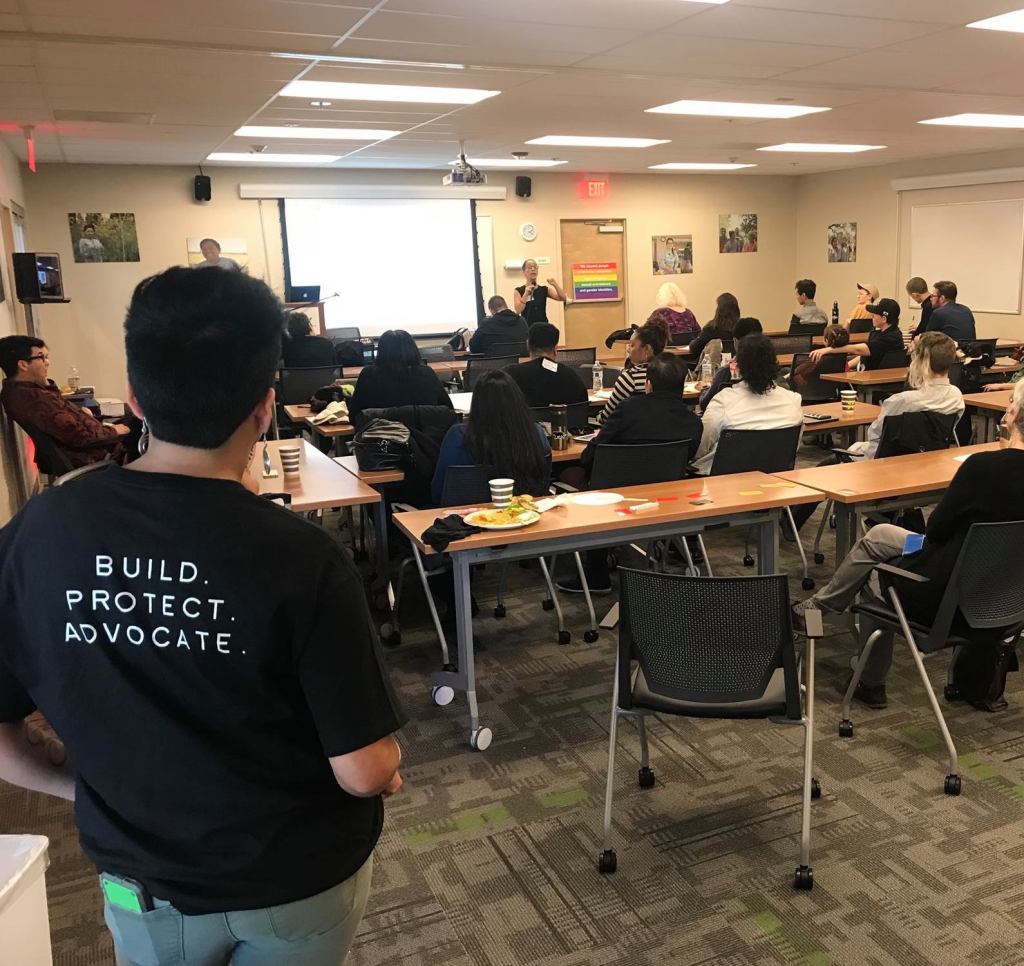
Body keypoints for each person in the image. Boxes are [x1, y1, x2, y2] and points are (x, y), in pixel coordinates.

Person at [0, 267, 405, 965]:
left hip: (141, 883)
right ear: (265, 407)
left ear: (134, 400)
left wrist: (91, 786)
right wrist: (391, 769)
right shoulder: (303, 558)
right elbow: (364, 772)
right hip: (296, 880)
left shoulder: (37, 532)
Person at [794, 378, 1024, 710]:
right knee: (879, 536)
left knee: (875, 574)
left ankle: (869, 681)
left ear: (1013, 412)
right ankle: (815, 608)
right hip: (1006, 598)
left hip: (945, 596)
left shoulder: (983, 468)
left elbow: (937, 530)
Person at [558, 355, 703, 594]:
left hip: (612, 496)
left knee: (573, 476)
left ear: (648, 384)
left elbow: (592, 455)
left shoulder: (628, 408)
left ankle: (596, 574)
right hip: (666, 496)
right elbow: (687, 457)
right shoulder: (692, 422)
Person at [0, 335, 130, 467]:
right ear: (23, 365)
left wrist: (83, 414)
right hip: (103, 456)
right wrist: (114, 431)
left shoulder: (25, 391)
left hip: (98, 444)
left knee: (132, 414)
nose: (47, 362)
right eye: (41, 357)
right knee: (137, 421)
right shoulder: (34, 398)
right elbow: (79, 436)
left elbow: (63, 421)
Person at [432, 369, 550, 504]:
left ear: (477, 403)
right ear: (517, 400)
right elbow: (543, 484)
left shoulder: (458, 436)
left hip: (465, 520)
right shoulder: (536, 433)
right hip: (524, 516)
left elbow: (439, 491)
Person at [692, 334, 803, 474]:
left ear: (738, 365)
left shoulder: (723, 401)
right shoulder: (793, 401)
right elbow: (793, 447)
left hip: (722, 483)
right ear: (775, 363)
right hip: (774, 479)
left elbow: (702, 446)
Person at [348, 328, 453, 420]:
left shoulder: (368, 375)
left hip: (379, 438)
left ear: (381, 351)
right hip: (425, 439)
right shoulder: (427, 373)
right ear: (413, 349)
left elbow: (354, 415)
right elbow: (447, 409)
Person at [596, 320, 668, 426]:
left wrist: (597, 416)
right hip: (669, 435)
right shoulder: (671, 373)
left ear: (647, 349)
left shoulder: (630, 378)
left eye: (632, 345)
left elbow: (607, 417)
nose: (628, 350)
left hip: (633, 436)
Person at [504, 322, 588, 408]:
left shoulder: (509, 375)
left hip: (524, 421)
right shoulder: (572, 377)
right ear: (556, 348)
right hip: (563, 421)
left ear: (528, 345)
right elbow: (582, 410)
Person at [809, 297, 904, 372]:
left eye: (875, 314)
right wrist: (846, 365)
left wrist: (829, 349)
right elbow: (864, 355)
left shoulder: (892, 337)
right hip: (866, 372)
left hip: (880, 380)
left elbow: (858, 349)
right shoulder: (878, 334)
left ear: (884, 319)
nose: (872, 316)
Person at [698, 317, 763, 410]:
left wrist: (704, 389)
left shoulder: (726, 373)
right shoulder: (771, 371)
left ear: (736, 341)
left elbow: (705, 403)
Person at [791, 324, 849, 392]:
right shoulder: (842, 358)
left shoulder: (818, 358)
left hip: (809, 393)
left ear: (826, 340)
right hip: (832, 393)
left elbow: (795, 373)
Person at [686, 292, 741, 360]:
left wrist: (693, 342)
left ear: (718, 310)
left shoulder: (711, 329)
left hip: (713, 367)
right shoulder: (742, 328)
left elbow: (694, 348)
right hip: (738, 366)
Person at [513, 259, 566, 326]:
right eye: (529, 267)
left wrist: (555, 284)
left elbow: (563, 298)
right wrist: (525, 294)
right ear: (524, 272)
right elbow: (518, 310)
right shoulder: (519, 290)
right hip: (527, 327)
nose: (533, 269)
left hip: (543, 327)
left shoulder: (544, 289)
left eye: (535, 267)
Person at [926, 280, 977, 344]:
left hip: (950, 352)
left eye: (933, 296)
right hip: (969, 351)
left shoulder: (938, 313)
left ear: (942, 298)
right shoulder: (966, 310)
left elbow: (927, 340)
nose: (930, 299)